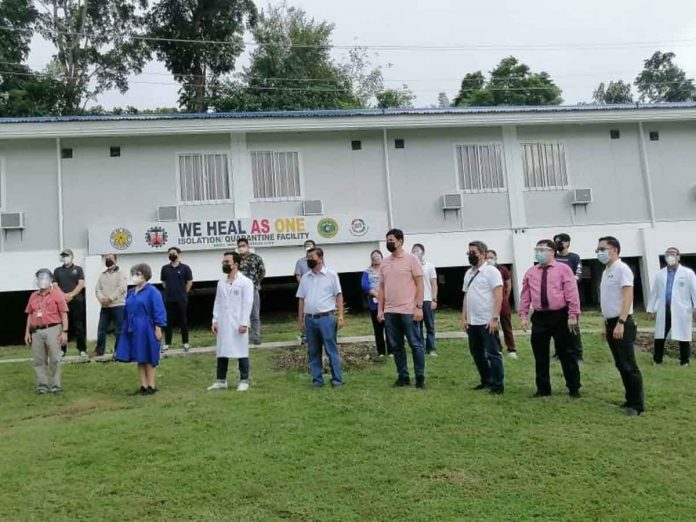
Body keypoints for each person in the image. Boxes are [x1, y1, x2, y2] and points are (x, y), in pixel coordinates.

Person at [519, 240, 582, 398]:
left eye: (542, 249)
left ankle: (574, 387)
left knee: (567, 353)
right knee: (540, 354)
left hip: (560, 315)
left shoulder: (564, 269)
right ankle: (543, 388)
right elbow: (525, 295)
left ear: (552, 252)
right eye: (537, 249)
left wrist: (573, 315)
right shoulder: (531, 272)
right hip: (540, 317)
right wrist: (523, 315)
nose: (538, 253)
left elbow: (572, 293)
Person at [597, 236, 644, 416]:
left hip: (621, 322)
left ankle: (636, 405)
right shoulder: (606, 270)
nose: (599, 252)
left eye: (603, 248)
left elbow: (627, 297)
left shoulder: (622, 269)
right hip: (611, 322)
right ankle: (629, 399)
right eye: (598, 249)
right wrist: (605, 324)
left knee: (628, 364)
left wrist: (621, 323)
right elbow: (608, 300)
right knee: (620, 363)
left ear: (614, 249)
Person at [378, 229, 426, 389]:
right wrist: (380, 310)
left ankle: (420, 378)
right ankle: (403, 377)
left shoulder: (412, 260)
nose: (388, 243)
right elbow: (382, 288)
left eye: (391, 240)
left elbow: (420, 284)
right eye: (387, 240)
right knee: (397, 346)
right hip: (390, 312)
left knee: (415, 344)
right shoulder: (384, 263)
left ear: (400, 241)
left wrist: (419, 307)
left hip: (409, 310)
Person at [115, 264, 167, 396]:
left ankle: (151, 386)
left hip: (147, 327)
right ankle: (143, 385)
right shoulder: (131, 292)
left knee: (148, 356)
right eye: (134, 273)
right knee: (139, 356)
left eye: (138, 274)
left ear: (145, 275)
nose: (135, 276)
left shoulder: (153, 292)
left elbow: (158, 310)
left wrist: (158, 327)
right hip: (133, 327)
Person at [296, 247, 345, 388]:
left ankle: (337, 379)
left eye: (312, 257)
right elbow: (301, 299)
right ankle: (317, 380)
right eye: (307, 257)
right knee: (313, 351)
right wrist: (300, 320)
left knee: (331, 350)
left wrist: (341, 317)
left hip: (326, 318)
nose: (309, 260)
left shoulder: (331, 275)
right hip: (309, 320)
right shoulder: (305, 277)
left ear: (320, 258)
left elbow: (339, 296)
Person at [462, 241, 505, 394]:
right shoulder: (469, 273)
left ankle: (498, 385)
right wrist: (464, 317)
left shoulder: (492, 272)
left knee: (493, 353)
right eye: (469, 253)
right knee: (477, 353)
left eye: (474, 252)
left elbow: (498, 296)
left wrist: (494, 318)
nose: (470, 255)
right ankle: (486, 380)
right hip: (472, 321)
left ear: (483, 253)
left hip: (487, 321)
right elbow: (466, 296)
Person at [208, 251, 255, 391]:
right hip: (223, 322)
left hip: (238, 323)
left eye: (227, 262)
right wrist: (214, 320)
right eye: (223, 262)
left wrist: (244, 323)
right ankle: (221, 380)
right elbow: (217, 302)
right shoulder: (221, 283)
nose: (224, 264)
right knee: (222, 350)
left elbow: (248, 303)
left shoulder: (245, 282)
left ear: (235, 264)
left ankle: (244, 380)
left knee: (241, 351)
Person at [647, 247, 696, 366]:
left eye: (673, 254)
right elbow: (654, 293)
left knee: (683, 336)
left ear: (678, 257)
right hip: (665, 308)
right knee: (660, 335)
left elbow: (694, 291)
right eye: (667, 254)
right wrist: (650, 308)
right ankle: (657, 360)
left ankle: (684, 361)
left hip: (682, 309)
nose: (670, 257)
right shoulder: (660, 274)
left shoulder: (688, 273)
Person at [24, 269, 69, 394]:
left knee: (55, 358)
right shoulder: (33, 296)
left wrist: (64, 332)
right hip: (36, 331)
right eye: (40, 278)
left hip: (53, 329)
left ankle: (55, 385)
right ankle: (42, 385)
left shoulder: (57, 295)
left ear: (50, 280)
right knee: (39, 360)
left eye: (45, 278)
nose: (42, 280)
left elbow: (64, 314)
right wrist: (27, 332)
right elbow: (30, 314)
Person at [553, 233, 584, 361]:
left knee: (573, 327)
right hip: (556, 300)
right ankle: (559, 353)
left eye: (559, 242)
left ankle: (577, 354)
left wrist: (567, 285)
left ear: (567, 243)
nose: (556, 244)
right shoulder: (553, 258)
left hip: (571, 299)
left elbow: (578, 275)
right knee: (557, 328)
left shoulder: (574, 258)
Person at [92, 253, 128, 360]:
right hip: (105, 307)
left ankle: (119, 351)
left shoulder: (121, 273)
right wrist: (102, 299)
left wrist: (110, 299)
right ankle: (99, 351)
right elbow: (97, 289)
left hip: (118, 305)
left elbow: (122, 288)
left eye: (110, 258)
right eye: (106, 259)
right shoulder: (102, 275)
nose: (108, 260)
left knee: (119, 330)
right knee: (101, 329)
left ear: (115, 260)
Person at [53, 248, 87, 358]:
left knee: (79, 325)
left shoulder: (78, 269)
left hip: (77, 301)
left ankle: (81, 349)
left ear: (72, 257)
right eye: (63, 256)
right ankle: (62, 349)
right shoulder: (57, 270)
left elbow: (81, 284)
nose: (65, 258)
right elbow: (55, 285)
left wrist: (71, 295)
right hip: (62, 302)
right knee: (62, 326)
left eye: (67, 255)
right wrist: (63, 296)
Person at [486, 250, 518, 359]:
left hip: (502, 301)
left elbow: (508, 285)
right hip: (489, 302)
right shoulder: (484, 270)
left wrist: (505, 298)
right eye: (487, 257)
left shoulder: (502, 269)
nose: (489, 259)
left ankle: (511, 348)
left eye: (491, 257)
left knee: (506, 325)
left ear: (496, 258)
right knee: (493, 327)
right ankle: (497, 348)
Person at [160, 247, 193, 352]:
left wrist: (184, 292)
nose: (172, 255)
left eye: (173, 253)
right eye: (170, 254)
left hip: (181, 299)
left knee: (183, 320)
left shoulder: (185, 268)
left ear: (178, 254)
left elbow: (189, 282)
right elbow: (164, 283)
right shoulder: (165, 268)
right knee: (168, 322)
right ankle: (167, 343)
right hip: (169, 299)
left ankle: (185, 342)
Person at [362, 249, 391, 356]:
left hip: (388, 302)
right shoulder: (367, 272)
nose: (376, 259)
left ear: (382, 258)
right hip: (374, 303)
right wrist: (375, 294)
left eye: (378, 257)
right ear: (371, 260)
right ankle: (381, 352)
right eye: (373, 257)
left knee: (389, 327)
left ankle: (391, 350)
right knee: (378, 328)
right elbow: (364, 285)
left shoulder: (387, 269)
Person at [238, 238, 266, 345]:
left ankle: (255, 337)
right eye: (240, 246)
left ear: (248, 246)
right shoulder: (236, 259)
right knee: (241, 314)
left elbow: (262, 272)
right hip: (239, 291)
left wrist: (256, 283)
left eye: (243, 245)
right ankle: (242, 337)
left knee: (255, 314)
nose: (242, 248)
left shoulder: (256, 258)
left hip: (253, 289)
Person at [412, 243, 439, 357]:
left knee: (430, 326)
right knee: (418, 326)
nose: (416, 252)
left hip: (428, 300)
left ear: (423, 252)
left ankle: (431, 348)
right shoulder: (411, 267)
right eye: (414, 250)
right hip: (416, 301)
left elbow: (434, 284)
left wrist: (434, 299)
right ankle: (420, 348)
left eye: (418, 250)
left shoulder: (429, 266)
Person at [295, 239, 316, 344]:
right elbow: (298, 275)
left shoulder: (318, 261)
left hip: (316, 290)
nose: (308, 247)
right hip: (305, 291)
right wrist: (303, 285)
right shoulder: (300, 261)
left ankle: (315, 334)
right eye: (306, 246)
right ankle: (304, 335)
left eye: (310, 245)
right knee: (304, 312)